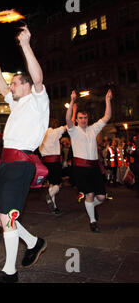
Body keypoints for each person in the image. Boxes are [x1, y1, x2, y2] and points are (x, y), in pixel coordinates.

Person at [0, 26, 49, 283]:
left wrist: (25, 45)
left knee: (8, 216)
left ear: (24, 85)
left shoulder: (37, 99)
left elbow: (37, 78)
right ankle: (34, 242)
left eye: (14, 84)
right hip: (6, 164)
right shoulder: (16, 101)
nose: (10, 87)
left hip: (22, 162)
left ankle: (9, 273)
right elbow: (1, 86)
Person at [66, 89, 112, 233]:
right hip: (81, 168)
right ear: (77, 119)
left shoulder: (93, 129)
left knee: (102, 197)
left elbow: (107, 116)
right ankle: (93, 221)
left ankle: (91, 208)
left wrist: (107, 100)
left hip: (94, 168)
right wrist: (72, 101)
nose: (83, 120)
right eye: (80, 118)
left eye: (85, 118)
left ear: (88, 119)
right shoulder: (73, 130)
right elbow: (68, 119)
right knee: (90, 195)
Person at [39, 118, 67, 215]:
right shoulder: (55, 132)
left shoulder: (41, 133)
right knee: (58, 184)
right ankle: (49, 195)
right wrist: (74, 111)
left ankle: (54, 207)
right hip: (54, 162)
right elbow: (67, 126)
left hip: (45, 162)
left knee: (51, 184)